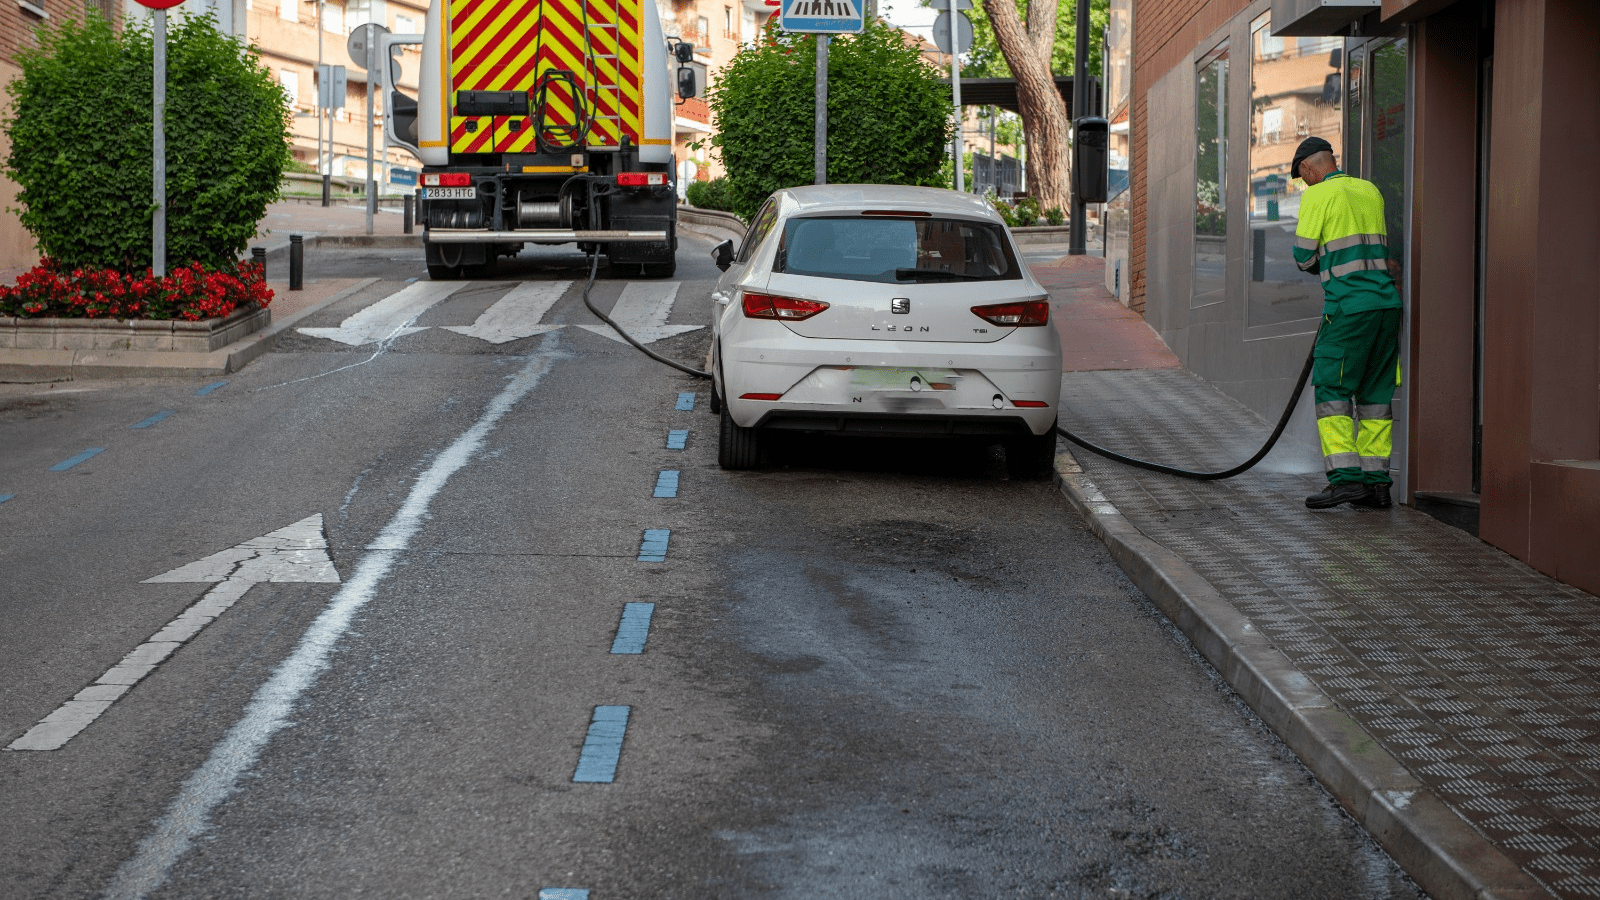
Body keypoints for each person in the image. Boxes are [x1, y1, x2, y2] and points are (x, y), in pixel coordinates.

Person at [1290, 136, 1402, 510]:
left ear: (1308, 168)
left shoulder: (1316, 196)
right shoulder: (1370, 191)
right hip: (1386, 307)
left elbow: (1304, 257)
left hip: (1348, 309)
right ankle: (1377, 484)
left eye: (1302, 176)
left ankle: (1346, 480)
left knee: (1332, 391)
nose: (1304, 183)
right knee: (1375, 398)